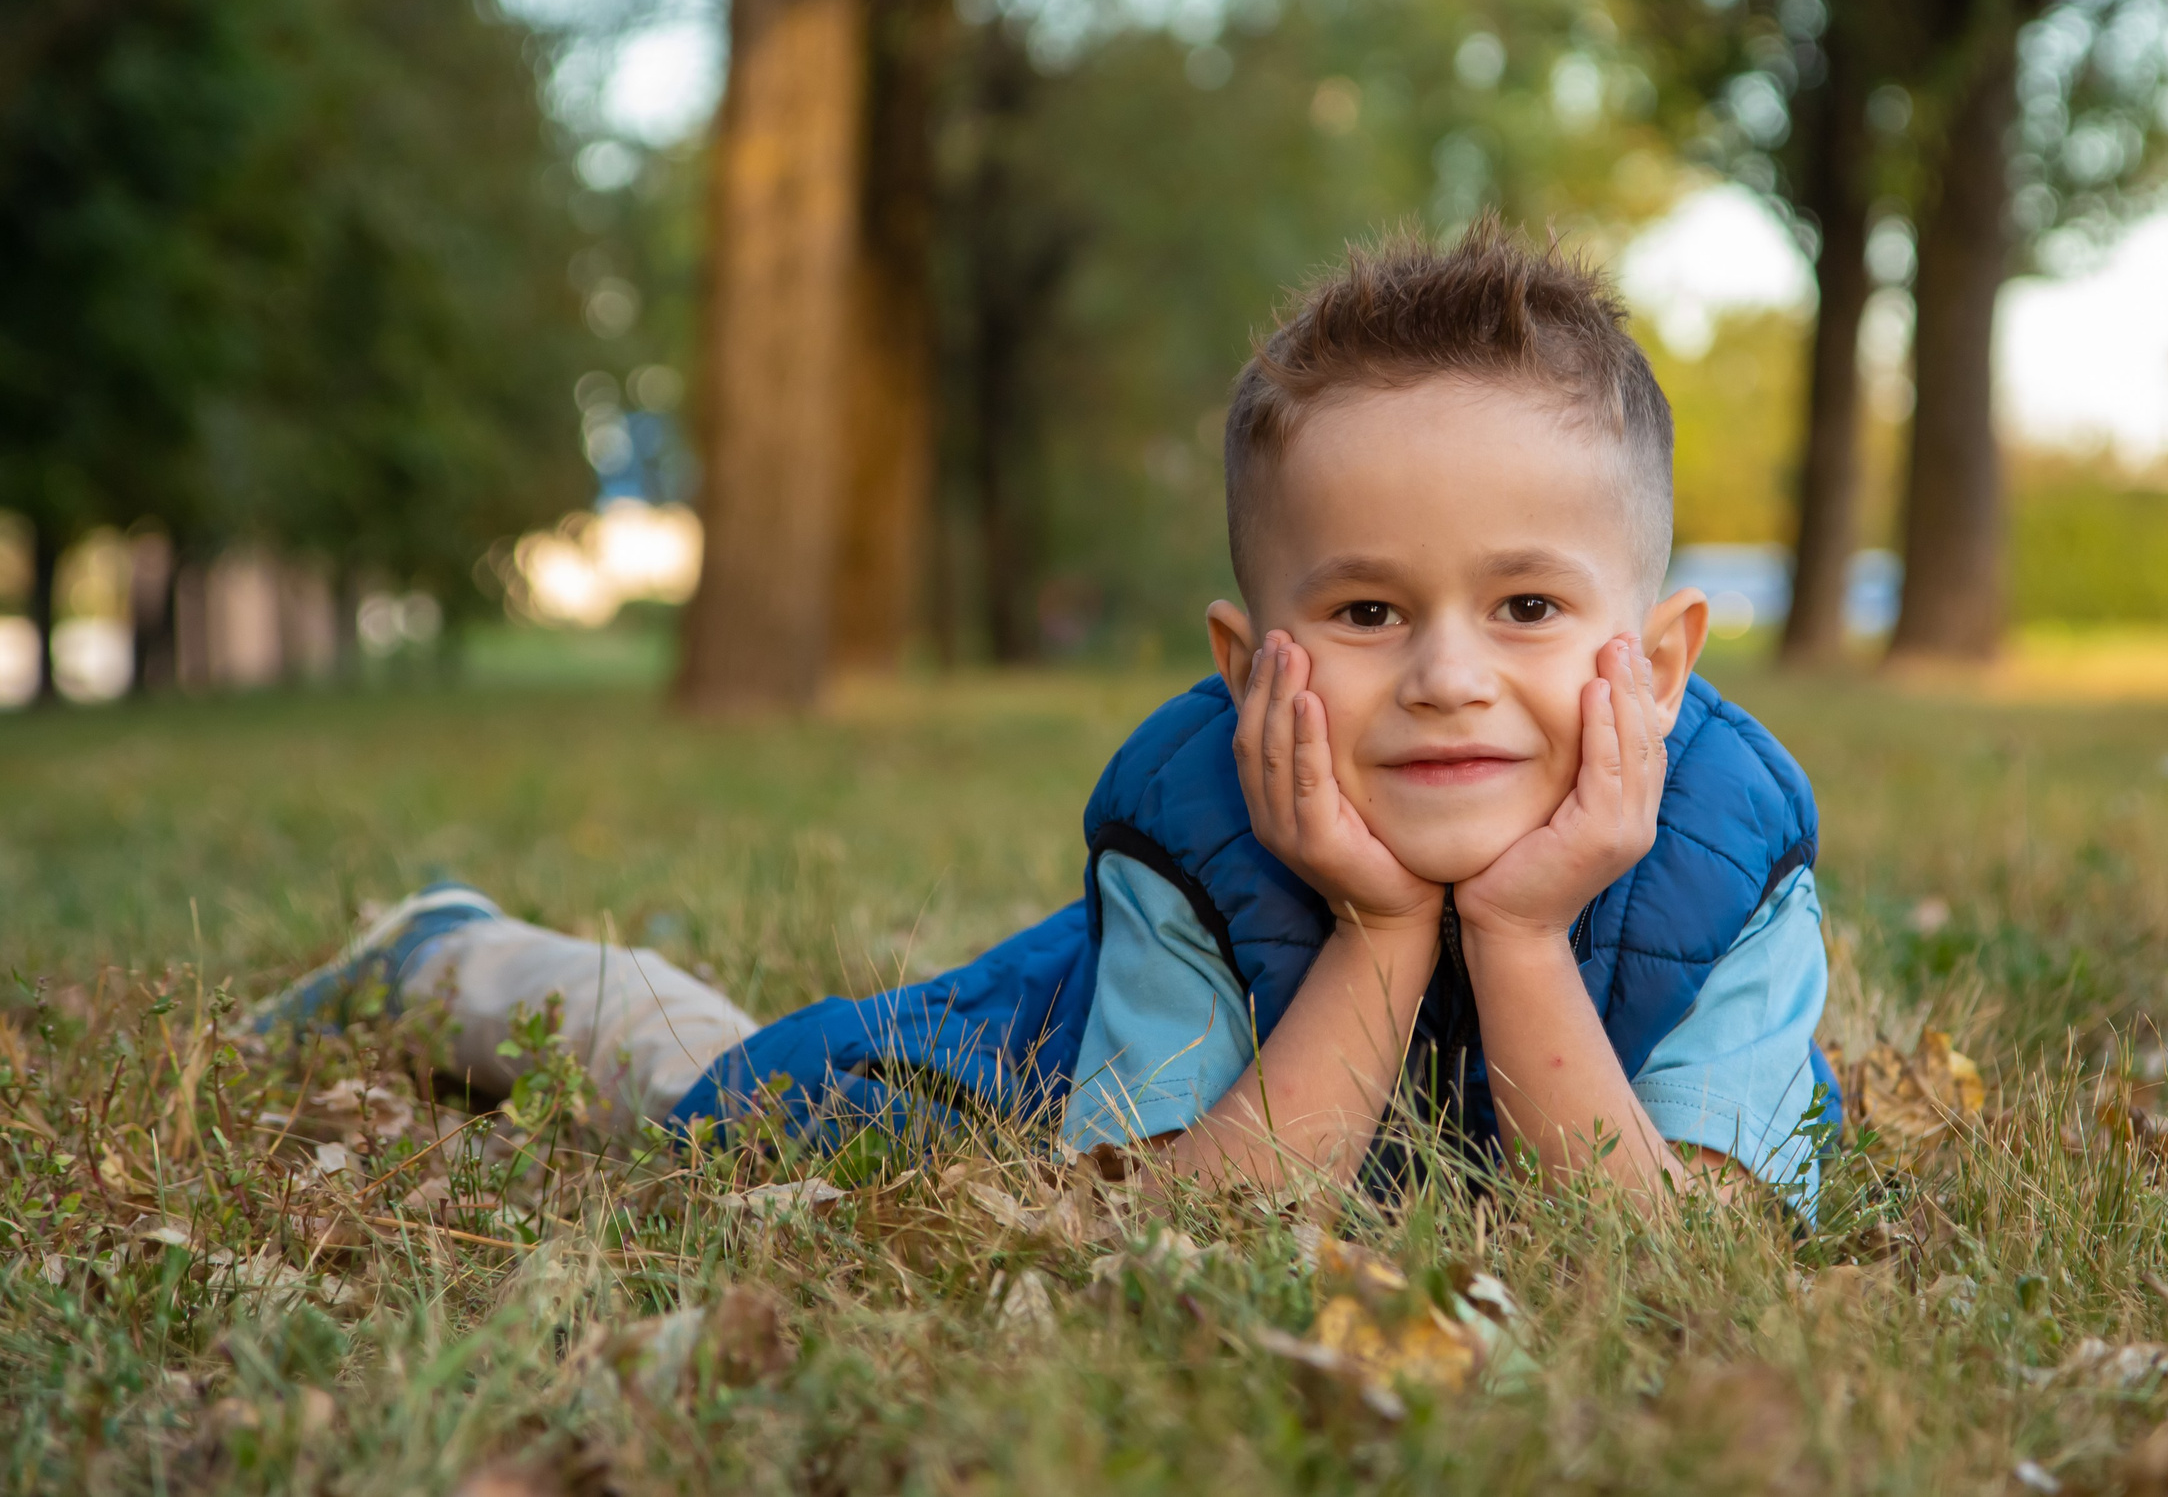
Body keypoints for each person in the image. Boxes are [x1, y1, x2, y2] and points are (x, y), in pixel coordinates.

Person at [260, 220, 1834, 1213]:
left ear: (1664, 663)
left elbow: (1668, 1257)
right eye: (1364, 612)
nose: (1446, 674)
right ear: (1244, 664)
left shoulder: (1729, 857)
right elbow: (1187, 1230)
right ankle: (454, 956)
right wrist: (1372, 937)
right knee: (715, 1093)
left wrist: (1522, 939)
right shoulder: (1198, 828)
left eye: (1529, 608)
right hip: (1021, 1061)